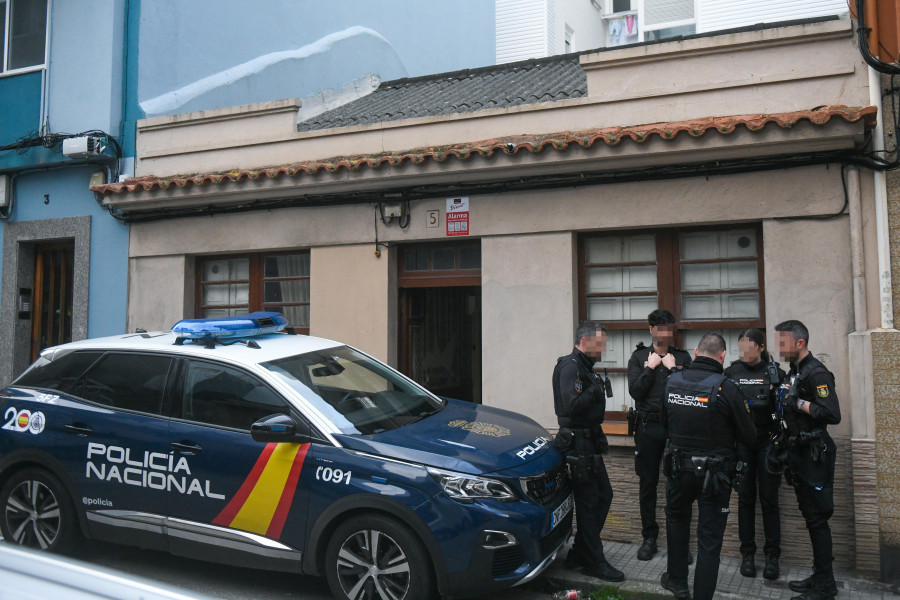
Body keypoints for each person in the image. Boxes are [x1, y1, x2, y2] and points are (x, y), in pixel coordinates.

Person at [659, 333, 757, 600]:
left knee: (677, 523)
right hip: (715, 477)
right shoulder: (727, 388)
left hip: (679, 471)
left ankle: (677, 582)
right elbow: (749, 436)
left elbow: (663, 425)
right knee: (709, 540)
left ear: (695, 352)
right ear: (723, 356)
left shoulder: (672, 381)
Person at [552, 321, 625, 582]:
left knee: (603, 495)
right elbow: (571, 407)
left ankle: (581, 551)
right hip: (578, 444)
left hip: (590, 442)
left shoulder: (585, 367)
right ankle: (594, 561)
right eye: (600, 343)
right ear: (585, 342)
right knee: (588, 502)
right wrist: (594, 390)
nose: (603, 348)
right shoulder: (571, 367)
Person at [774, 320, 841, 600]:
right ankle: (820, 576)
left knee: (817, 519)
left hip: (815, 454)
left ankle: (826, 586)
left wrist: (800, 403)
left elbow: (832, 414)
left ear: (799, 343)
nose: (780, 348)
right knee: (810, 517)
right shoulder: (795, 372)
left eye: (783, 343)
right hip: (799, 453)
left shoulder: (817, 374)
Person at [627, 309, 692, 560]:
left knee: (680, 485)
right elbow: (635, 392)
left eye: (670, 329)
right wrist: (650, 368)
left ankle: (680, 543)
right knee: (648, 485)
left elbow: (690, 394)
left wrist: (675, 370)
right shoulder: (640, 357)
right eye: (661, 328)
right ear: (651, 329)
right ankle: (649, 538)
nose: (666, 333)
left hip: (677, 429)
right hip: (648, 428)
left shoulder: (683, 357)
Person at [724, 329, 786, 580]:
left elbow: (784, 410)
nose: (743, 354)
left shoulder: (775, 373)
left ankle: (772, 557)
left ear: (761, 347)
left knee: (770, 501)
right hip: (742, 444)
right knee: (745, 500)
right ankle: (747, 554)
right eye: (740, 349)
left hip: (768, 444)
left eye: (748, 348)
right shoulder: (731, 373)